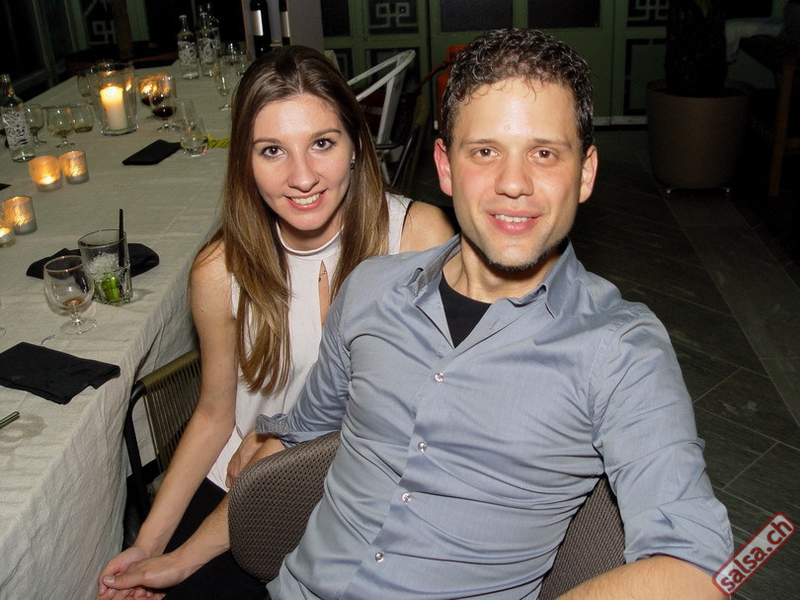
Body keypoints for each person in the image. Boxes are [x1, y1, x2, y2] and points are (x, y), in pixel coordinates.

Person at [253, 28, 734, 599]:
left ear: (585, 173)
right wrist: (179, 557)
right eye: (485, 151)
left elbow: (696, 571)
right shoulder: (370, 291)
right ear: (445, 166)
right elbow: (298, 437)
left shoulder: (620, 351)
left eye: (544, 153)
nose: (513, 184)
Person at [96, 46, 454, 600]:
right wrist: (148, 543)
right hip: (244, 484)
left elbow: (429, 410)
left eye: (322, 143)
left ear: (357, 144)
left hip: (375, 483)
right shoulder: (220, 271)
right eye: (272, 151)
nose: (302, 177)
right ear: (244, 161)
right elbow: (213, 414)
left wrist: (279, 439)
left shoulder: (417, 239)